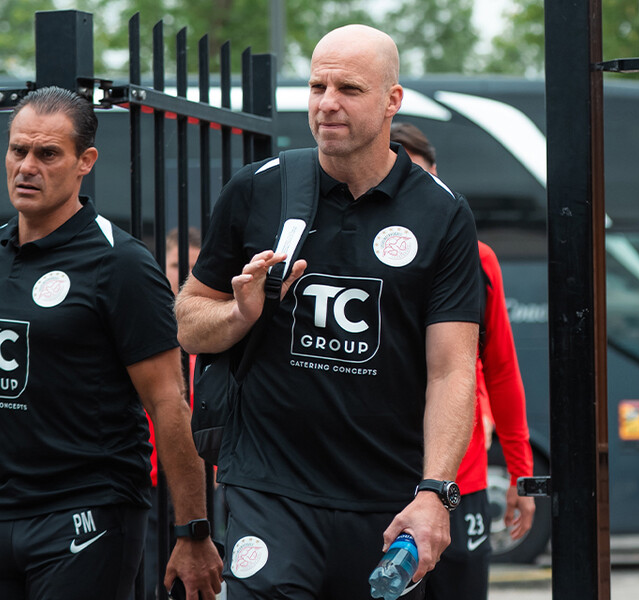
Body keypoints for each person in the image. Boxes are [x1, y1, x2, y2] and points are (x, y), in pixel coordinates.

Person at [175, 25, 482, 599]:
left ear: (393, 100)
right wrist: (241, 314)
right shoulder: (257, 189)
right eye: (318, 86)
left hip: (384, 496)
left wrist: (435, 491)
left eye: (349, 88)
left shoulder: (443, 215)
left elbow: (452, 369)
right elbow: (189, 323)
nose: (327, 103)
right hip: (268, 487)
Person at [0, 86, 222, 600]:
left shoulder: (120, 262)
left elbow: (169, 401)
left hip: (88, 509)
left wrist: (193, 531)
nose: (27, 166)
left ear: (85, 162)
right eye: (19, 150)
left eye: (47, 153)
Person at [390, 121, 535, 599]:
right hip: (380, 479)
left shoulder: (478, 258)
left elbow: (501, 369)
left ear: (437, 176)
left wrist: (520, 472)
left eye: (420, 173)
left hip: (461, 482)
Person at [139, 226, 202, 600]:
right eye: (179, 264)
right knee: (148, 581)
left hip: (202, 477)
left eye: (195, 267)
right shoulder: (146, 325)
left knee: (193, 585)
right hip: (146, 475)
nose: (184, 274)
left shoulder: (211, 334)